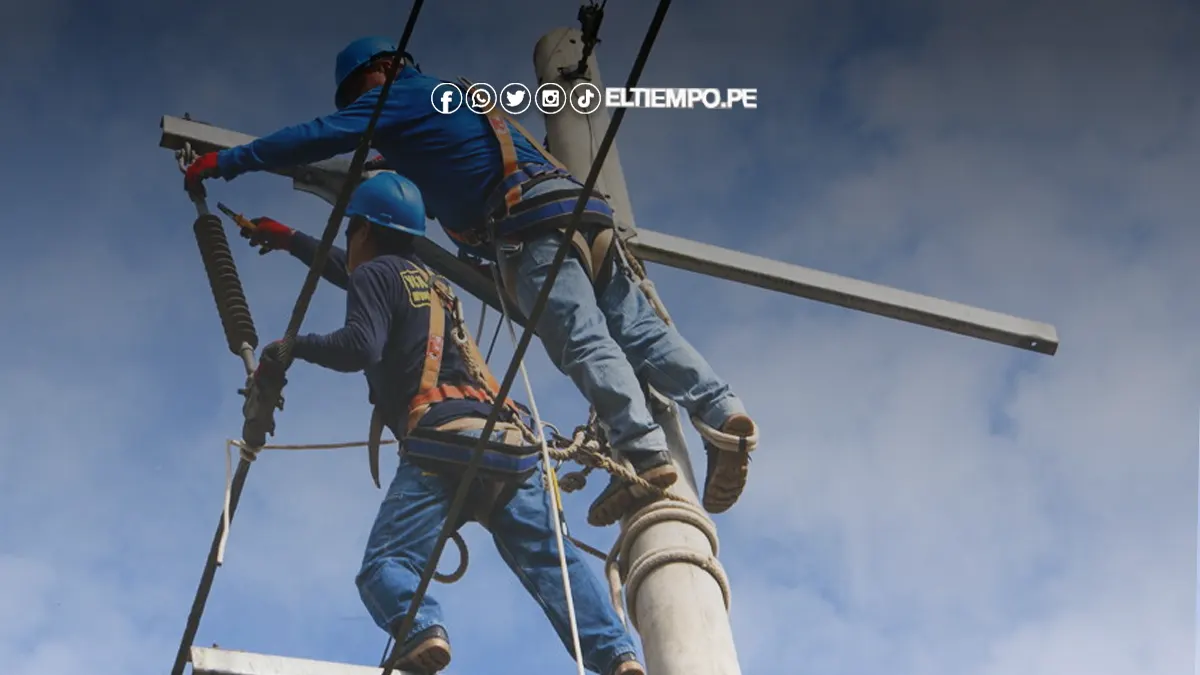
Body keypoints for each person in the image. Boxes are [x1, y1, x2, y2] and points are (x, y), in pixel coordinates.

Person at [186, 36, 760, 527]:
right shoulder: (449, 105)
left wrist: (228, 162)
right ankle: (723, 412)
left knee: (582, 339)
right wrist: (290, 237)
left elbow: (317, 136)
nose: (361, 109)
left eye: (359, 94)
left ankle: (641, 453)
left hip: (530, 230)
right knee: (639, 331)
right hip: (583, 217)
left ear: (380, 72)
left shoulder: (396, 97)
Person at [248, 172, 645, 675]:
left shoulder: (375, 276)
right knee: (553, 562)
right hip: (508, 444)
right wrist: (289, 240)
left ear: (364, 231)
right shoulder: (430, 283)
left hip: (443, 440)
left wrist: (292, 347)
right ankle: (618, 655)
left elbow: (360, 346)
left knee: (384, 568)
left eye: (351, 233)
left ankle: (422, 631)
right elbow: (345, 267)